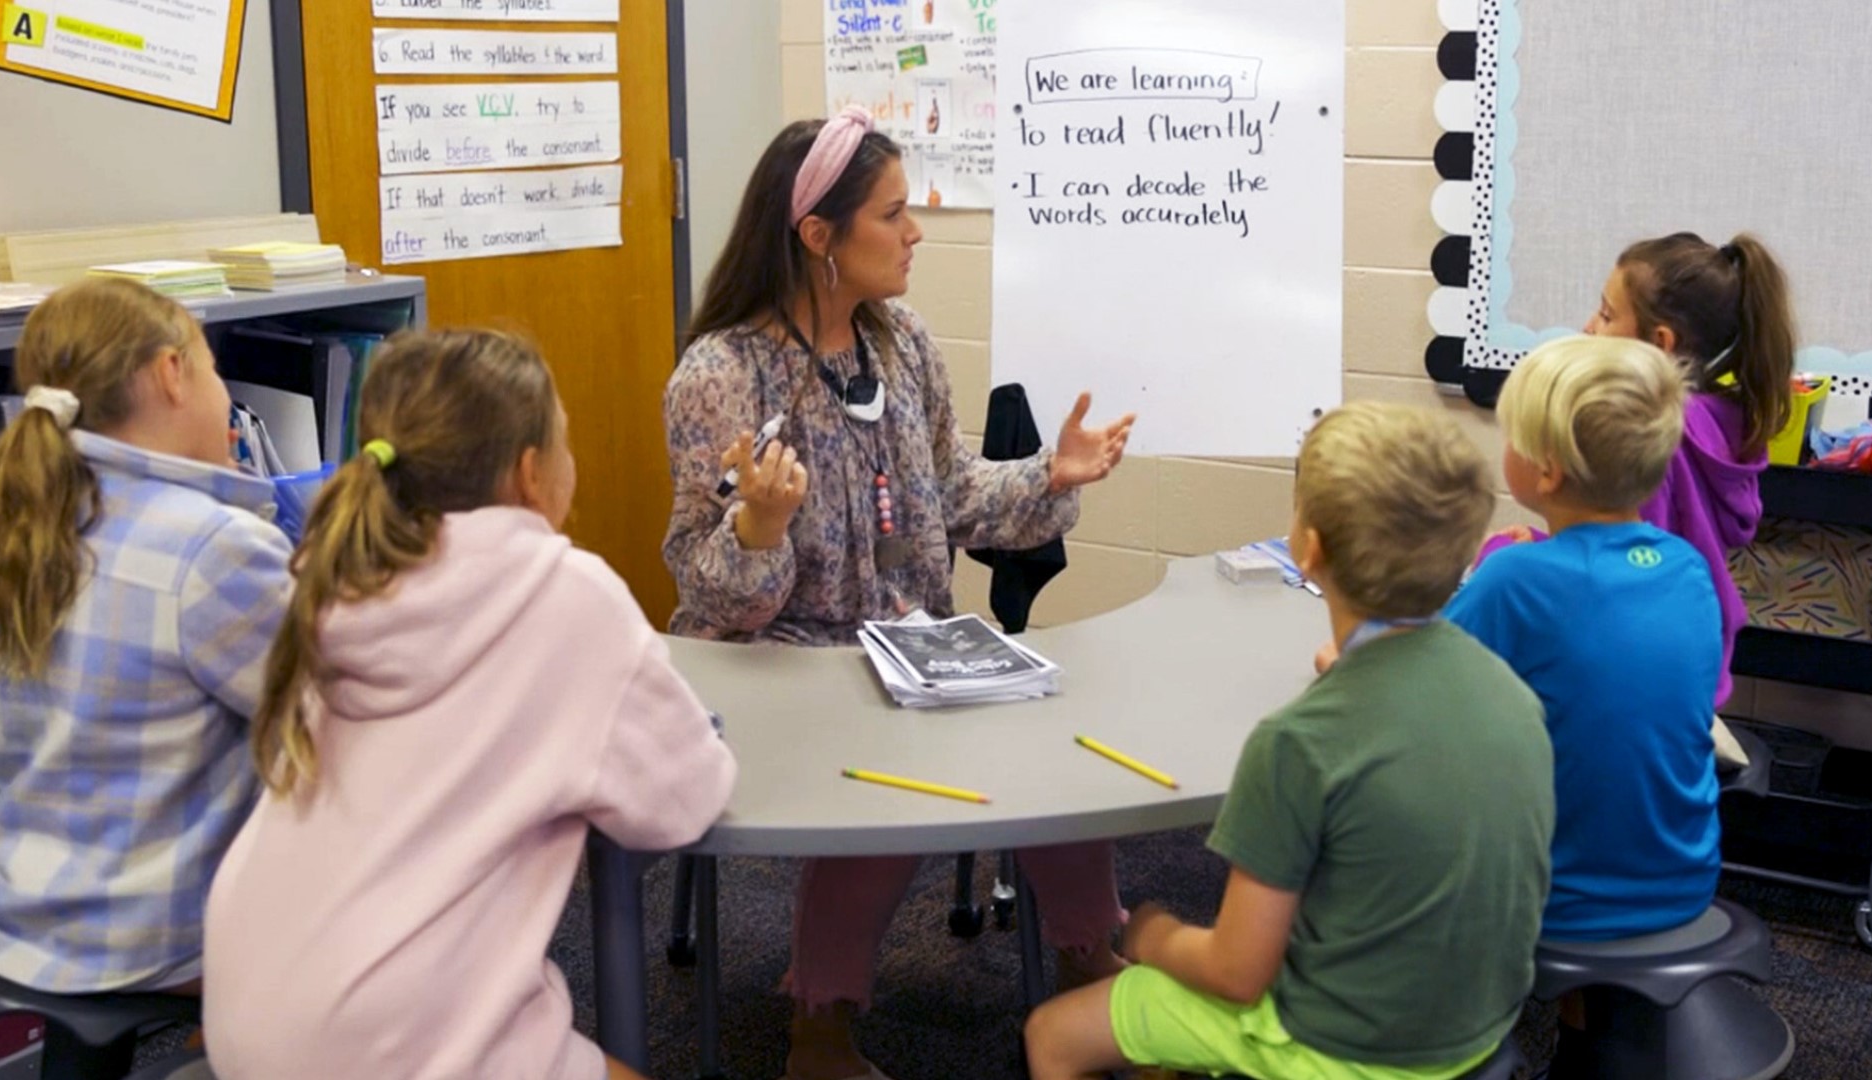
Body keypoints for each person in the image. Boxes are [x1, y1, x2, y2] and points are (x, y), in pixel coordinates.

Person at [664, 107, 1135, 1080]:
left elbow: (955, 496)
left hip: (912, 644)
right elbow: (709, 595)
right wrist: (756, 527)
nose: (916, 232)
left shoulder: (906, 343)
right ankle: (820, 1028)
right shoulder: (720, 374)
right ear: (818, 239)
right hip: (778, 661)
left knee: (1049, 738)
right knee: (888, 759)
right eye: (893, 213)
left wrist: (1054, 478)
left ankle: (1096, 957)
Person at [203, 330, 737, 1080]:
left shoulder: (339, 570)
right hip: (386, 1032)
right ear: (529, 474)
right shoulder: (565, 593)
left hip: (247, 1001)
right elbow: (683, 801)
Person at [1023, 402, 1553, 1080]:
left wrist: (1153, 934)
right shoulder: (1509, 689)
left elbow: (1237, 974)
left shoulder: (1298, 744)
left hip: (1341, 1051)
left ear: (1309, 548)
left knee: (1054, 1034)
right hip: (1476, 1032)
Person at [0, 278, 290, 994]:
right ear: (173, 374)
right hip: (139, 935)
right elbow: (329, 713)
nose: (222, 393)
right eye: (210, 365)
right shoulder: (213, 544)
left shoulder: (38, 512)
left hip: (5, 903)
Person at [1447, 336, 1721, 941]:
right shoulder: (1685, 567)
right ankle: (1587, 1018)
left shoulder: (1515, 580)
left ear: (1546, 470)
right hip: (1686, 881)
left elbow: (1414, 681)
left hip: (1560, 902)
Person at [1487, 233, 1794, 726]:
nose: (1589, 327)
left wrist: (1510, 555)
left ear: (1659, 344)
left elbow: (1614, 578)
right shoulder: (1717, 422)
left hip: (1627, 685)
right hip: (1687, 676)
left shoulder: (1657, 439)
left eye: (1607, 315)